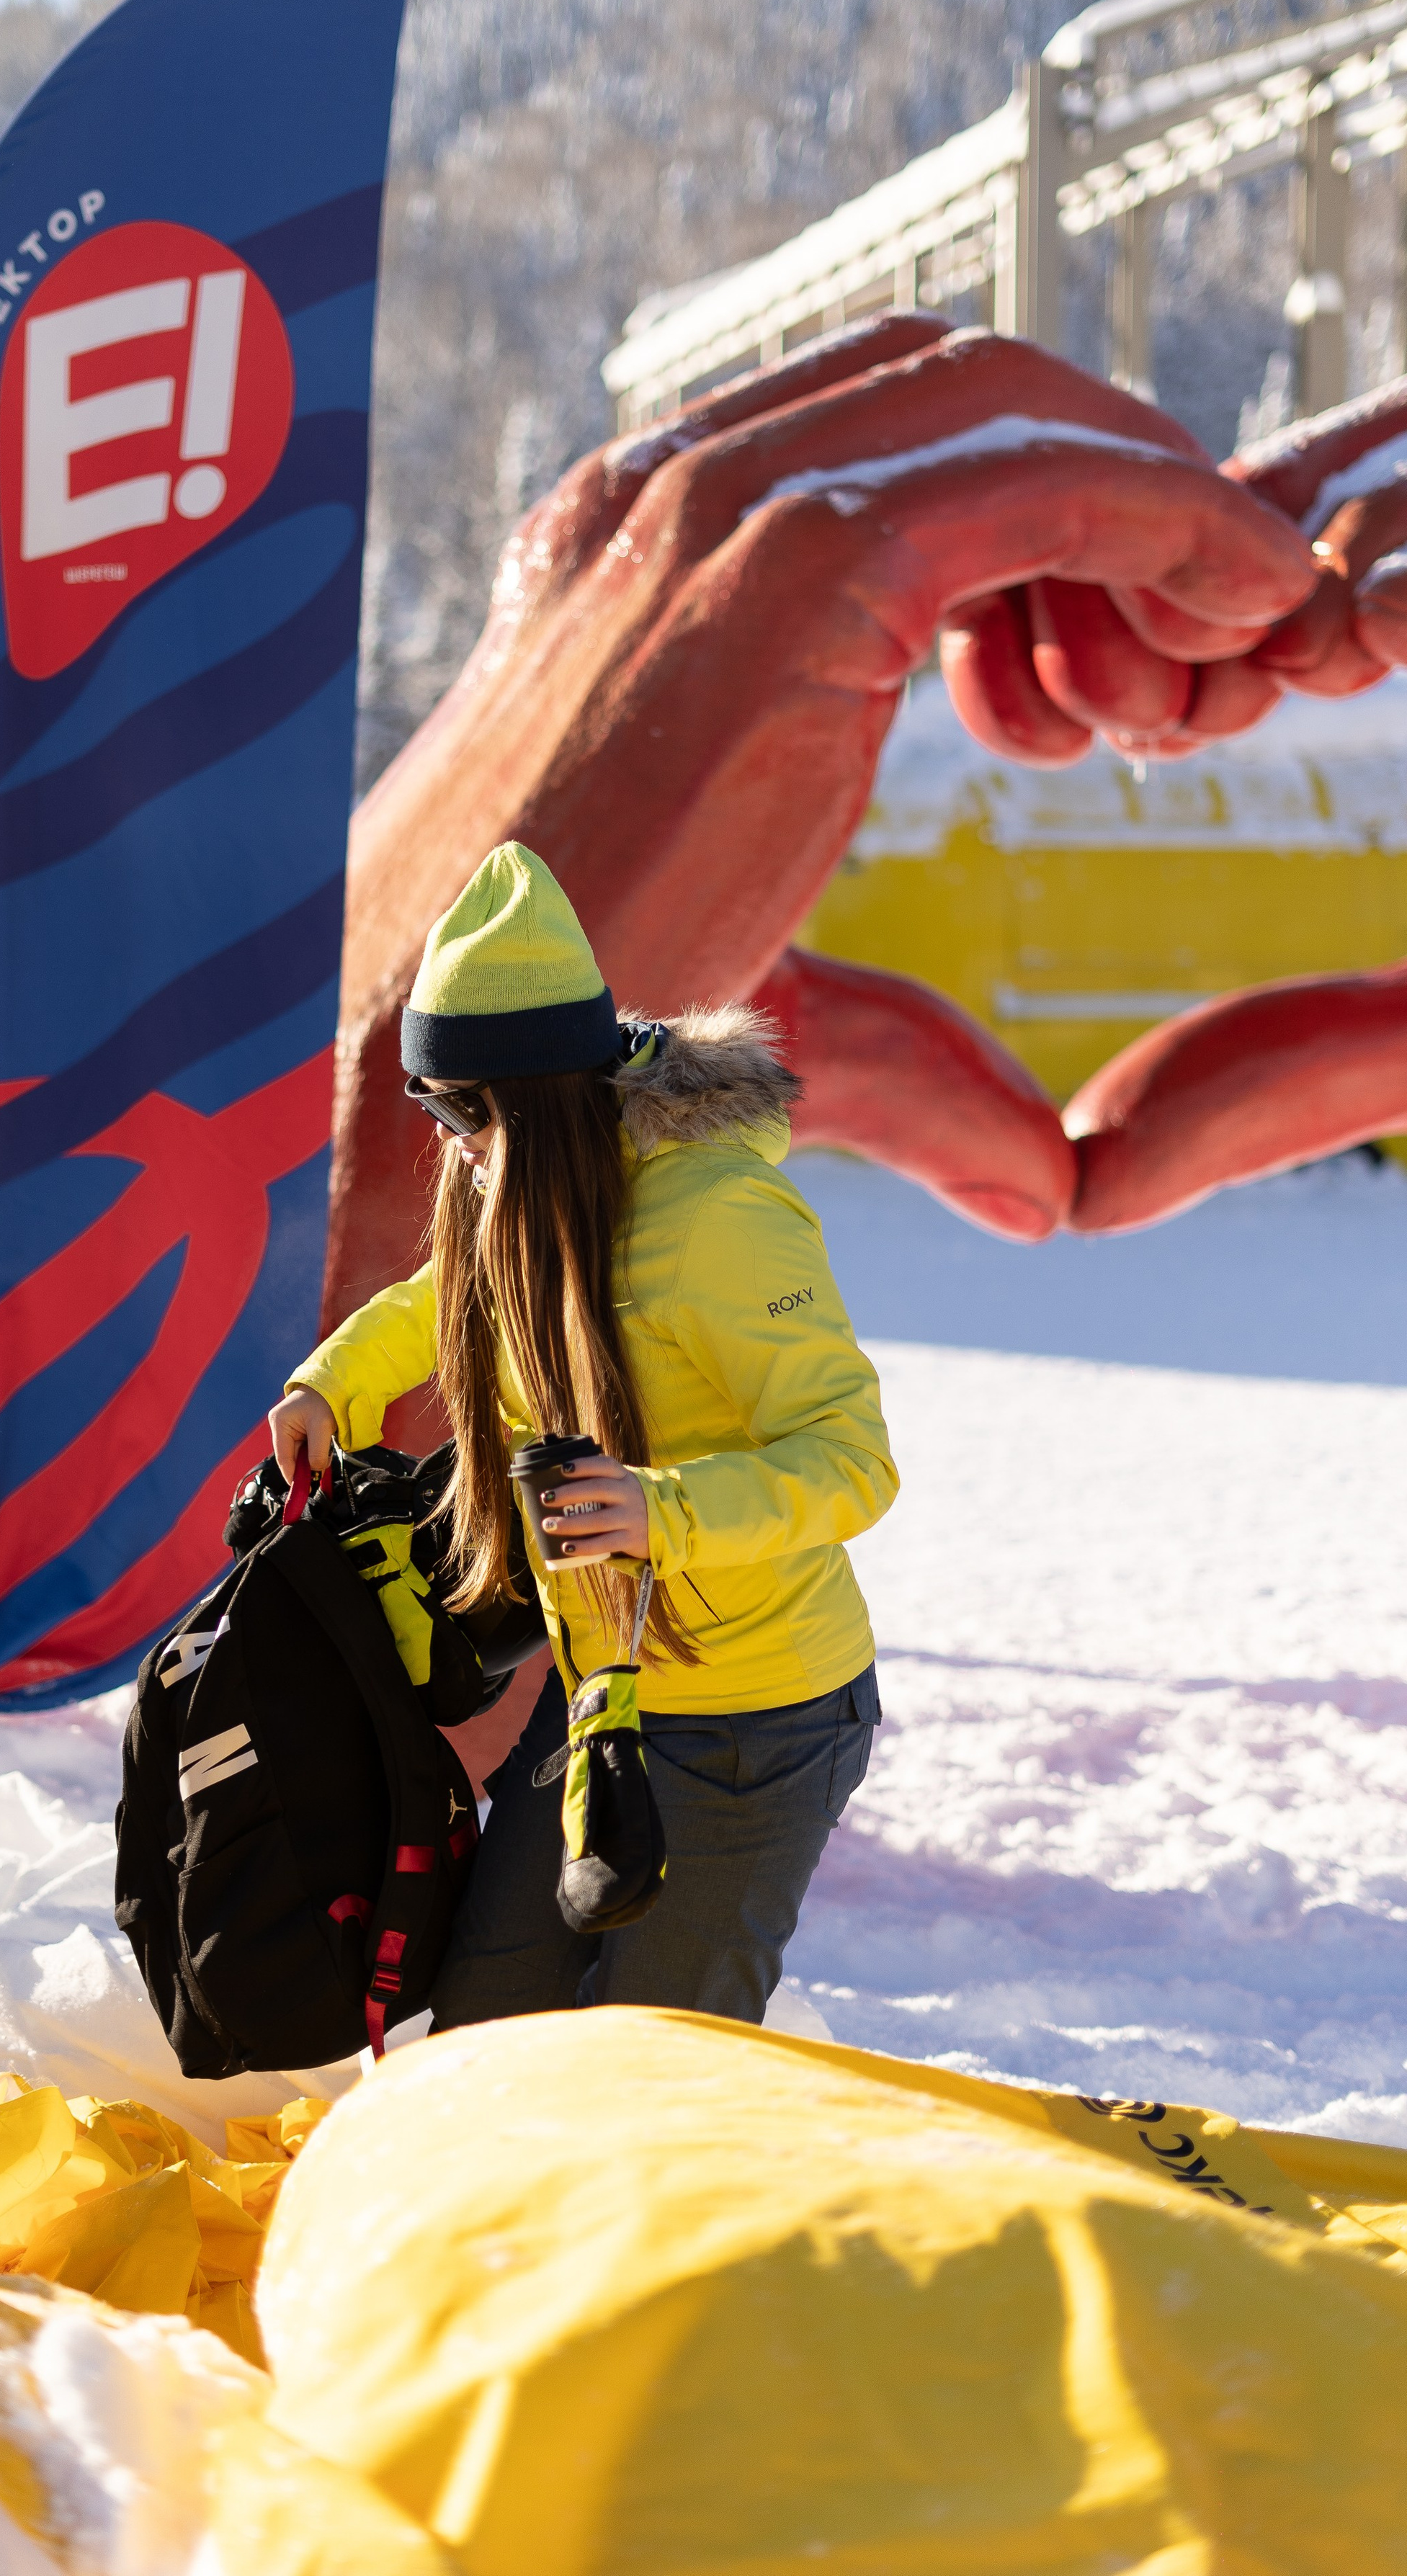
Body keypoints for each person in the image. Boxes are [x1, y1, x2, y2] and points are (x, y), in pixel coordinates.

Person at [269, 842, 898, 2029]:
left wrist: (662, 1511)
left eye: (459, 1109)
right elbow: (446, 1298)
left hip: (755, 1720)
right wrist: (329, 1386)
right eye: (430, 1105)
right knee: (489, 2028)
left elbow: (851, 1460)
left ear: (539, 1097)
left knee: (661, 2057)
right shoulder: (519, 1176)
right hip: (601, 1687)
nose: (446, 1136)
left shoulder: (721, 1219)